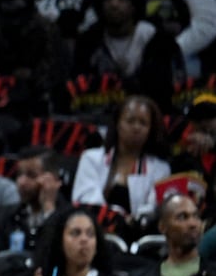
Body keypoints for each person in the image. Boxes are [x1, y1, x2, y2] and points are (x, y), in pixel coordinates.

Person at [71, 94, 173, 233]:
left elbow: (153, 209)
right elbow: (86, 201)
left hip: (137, 234)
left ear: (150, 130)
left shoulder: (160, 168)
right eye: (130, 121)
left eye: (143, 123)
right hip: (94, 231)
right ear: (118, 124)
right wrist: (116, 218)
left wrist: (130, 222)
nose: (136, 127)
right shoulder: (91, 158)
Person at [125, 193, 216, 276]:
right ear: (162, 227)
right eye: (183, 217)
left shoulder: (213, 274)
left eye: (196, 216)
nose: (193, 224)